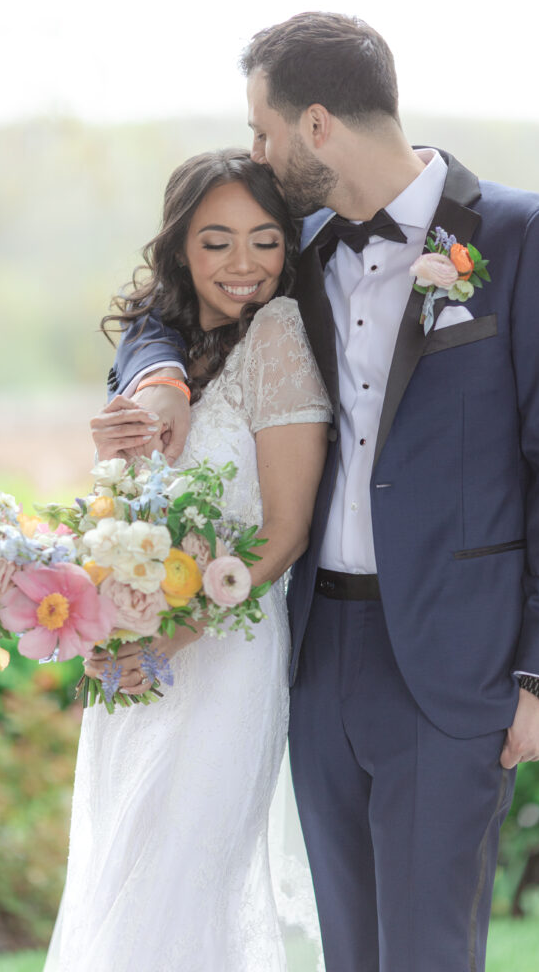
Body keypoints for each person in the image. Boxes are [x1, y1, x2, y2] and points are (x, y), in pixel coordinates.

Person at [103, 14, 539, 972]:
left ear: (315, 125)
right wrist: (152, 380)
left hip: (455, 660)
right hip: (317, 653)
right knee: (347, 952)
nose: (257, 152)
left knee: (428, 951)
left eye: (263, 131)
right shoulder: (298, 246)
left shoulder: (520, 236)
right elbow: (166, 305)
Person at [44, 148, 331, 972]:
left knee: (188, 876)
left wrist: (171, 639)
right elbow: (131, 514)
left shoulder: (276, 337)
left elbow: (284, 533)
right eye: (216, 242)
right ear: (179, 249)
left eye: (265, 240)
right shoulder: (163, 349)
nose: (244, 265)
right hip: (136, 652)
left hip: (222, 652)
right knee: (123, 862)